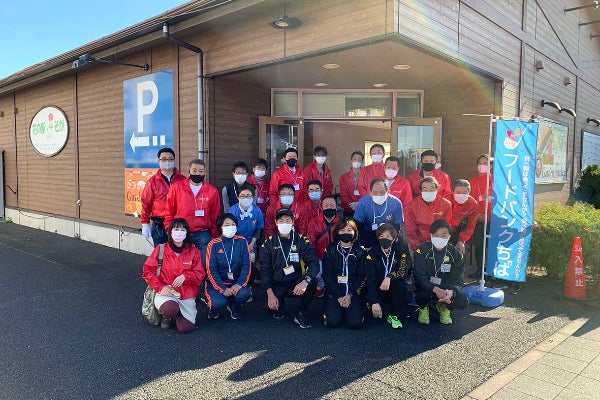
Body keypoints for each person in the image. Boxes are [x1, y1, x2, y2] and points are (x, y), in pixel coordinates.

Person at [259, 208, 320, 328]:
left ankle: (301, 312)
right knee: (271, 308)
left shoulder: (301, 240)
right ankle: (279, 305)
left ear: (292, 222)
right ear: (276, 222)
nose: (284, 223)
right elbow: (264, 271)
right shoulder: (268, 243)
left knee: (312, 282)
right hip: (277, 283)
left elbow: (314, 262)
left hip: (296, 283)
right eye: (281, 221)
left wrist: (306, 280)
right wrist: (270, 294)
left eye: (287, 220)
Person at [142, 218, 204, 333]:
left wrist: (186, 276)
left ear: (187, 233)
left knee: (186, 328)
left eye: (182, 230)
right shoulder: (161, 249)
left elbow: (199, 274)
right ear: (170, 232)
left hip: (186, 294)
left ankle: (178, 313)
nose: (179, 233)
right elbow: (147, 271)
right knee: (169, 308)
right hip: (166, 292)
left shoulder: (194, 252)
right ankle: (167, 315)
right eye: (176, 229)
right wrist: (161, 287)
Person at [413, 219, 469, 325]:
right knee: (421, 293)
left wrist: (451, 291)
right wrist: (435, 289)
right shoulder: (422, 250)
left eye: (443, 235)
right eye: (436, 235)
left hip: (446, 288)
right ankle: (423, 307)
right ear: (431, 235)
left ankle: (443, 307)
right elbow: (419, 276)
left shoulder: (456, 254)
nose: (439, 238)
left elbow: (458, 279)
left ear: (449, 236)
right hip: (427, 286)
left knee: (463, 300)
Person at [165, 159, 220, 261]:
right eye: (194, 171)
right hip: (181, 231)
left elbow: (215, 214)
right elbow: (169, 210)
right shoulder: (177, 188)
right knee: (182, 261)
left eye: (200, 171)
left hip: (203, 233)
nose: (197, 173)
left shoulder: (212, 191)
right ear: (189, 171)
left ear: (205, 172)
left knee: (204, 262)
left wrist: (214, 233)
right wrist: (169, 229)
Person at [204, 213, 252, 320]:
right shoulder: (213, 244)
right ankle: (213, 308)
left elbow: (246, 266)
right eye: (226, 225)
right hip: (217, 283)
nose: (230, 227)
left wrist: (239, 284)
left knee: (245, 293)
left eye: (233, 224)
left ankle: (234, 306)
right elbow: (211, 269)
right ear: (220, 227)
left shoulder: (242, 241)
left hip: (235, 282)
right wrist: (222, 288)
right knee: (218, 302)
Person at [322, 217, 367, 329]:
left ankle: (350, 309)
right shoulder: (330, 249)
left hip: (353, 293)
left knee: (355, 323)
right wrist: (338, 296)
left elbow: (362, 276)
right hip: (335, 293)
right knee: (332, 322)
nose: (345, 233)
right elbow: (327, 275)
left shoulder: (360, 251)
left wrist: (350, 295)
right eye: (342, 230)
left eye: (349, 230)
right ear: (337, 232)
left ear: (354, 232)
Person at [365, 223, 412, 329]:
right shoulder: (372, 254)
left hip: (393, 285)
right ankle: (373, 304)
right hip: (378, 287)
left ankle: (393, 315)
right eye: (381, 236)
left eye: (388, 236)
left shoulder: (400, 251)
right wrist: (374, 301)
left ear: (393, 238)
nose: (384, 239)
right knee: (375, 313)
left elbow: (402, 271)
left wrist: (389, 277)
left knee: (400, 285)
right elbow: (370, 279)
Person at [140, 147, 186, 246]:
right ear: (159, 161)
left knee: (180, 253)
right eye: (164, 159)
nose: (167, 162)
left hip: (179, 224)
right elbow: (146, 203)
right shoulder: (152, 182)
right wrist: (145, 223)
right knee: (161, 253)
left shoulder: (183, 180)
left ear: (174, 160)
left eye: (170, 159)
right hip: (159, 225)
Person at [353, 178, 404, 250]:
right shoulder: (363, 203)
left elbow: (397, 226)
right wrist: (367, 244)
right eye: (375, 192)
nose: (379, 195)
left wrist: (390, 242)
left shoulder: (396, 203)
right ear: (370, 193)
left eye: (382, 192)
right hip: (368, 233)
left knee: (400, 243)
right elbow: (358, 225)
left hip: (388, 234)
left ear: (388, 192)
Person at [404, 176, 452, 251]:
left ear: (437, 189)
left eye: (432, 189)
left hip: (439, 242)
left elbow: (446, 226)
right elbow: (410, 228)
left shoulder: (446, 204)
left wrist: (440, 243)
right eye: (425, 189)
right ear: (421, 191)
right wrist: (417, 246)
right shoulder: (412, 206)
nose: (428, 192)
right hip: (419, 242)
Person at [306, 195, 340, 297]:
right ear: (322, 207)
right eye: (326, 205)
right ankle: (321, 286)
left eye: (332, 205)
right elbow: (310, 243)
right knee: (313, 271)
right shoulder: (314, 222)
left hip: (337, 257)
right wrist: (312, 260)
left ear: (336, 207)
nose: (329, 207)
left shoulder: (342, 222)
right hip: (319, 257)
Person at [469, 154, 493, 272]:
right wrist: (476, 215)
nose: (482, 166)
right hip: (477, 218)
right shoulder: (472, 181)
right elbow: (469, 201)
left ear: (491, 166)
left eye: (485, 163)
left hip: (493, 219)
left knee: (492, 244)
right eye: (480, 163)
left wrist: (490, 215)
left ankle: (493, 270)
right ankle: (480, 269)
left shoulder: (497, 181)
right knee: (479, 244)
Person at [227, 183, 264, 260]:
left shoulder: (257, 211)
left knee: (251, 262)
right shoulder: (232, 211)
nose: (245, 198)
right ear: (238, 197)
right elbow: (229, 231)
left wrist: (252, 244)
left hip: (251, 243)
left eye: (248, 195)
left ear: (253, 197)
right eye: (243, 196)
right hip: (235, 243)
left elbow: (258, 229)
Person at [444, 179, 478, 255]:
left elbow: (471, 224)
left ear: (469, 192)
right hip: (444, 231)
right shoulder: (445, 200)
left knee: (459, 254)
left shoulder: (473, 204)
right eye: (458, 192)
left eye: (464, 193)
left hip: (460, 232)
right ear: (452, 191)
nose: (461, 195)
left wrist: (461, 240)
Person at [339, 150, 364, 217]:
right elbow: (343, 195)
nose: (356, 161)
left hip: (363, 210)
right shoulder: (344, 177)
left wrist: (359, 204)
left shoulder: (366, 176)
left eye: (359, 160)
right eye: (354, 159)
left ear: (362, 162)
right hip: (348, 211)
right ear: (351, 161)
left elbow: (367, 194)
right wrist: (351, 205)